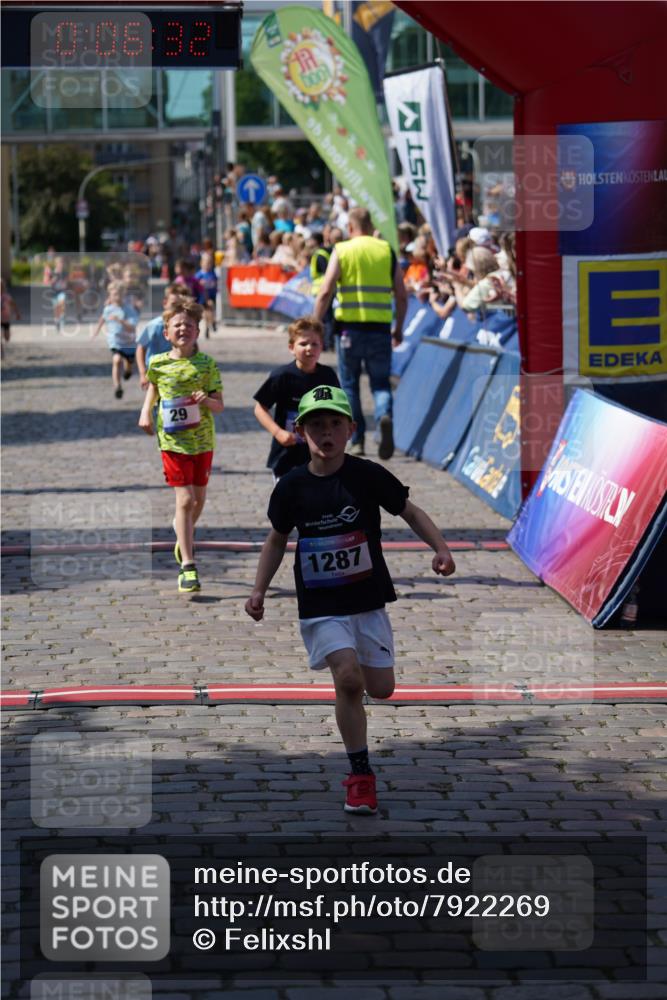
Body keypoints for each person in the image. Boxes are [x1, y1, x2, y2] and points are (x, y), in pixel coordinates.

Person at [245, 385, 455, 814]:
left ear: (350, 430)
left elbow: (410, 511)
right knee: (348, 678)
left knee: (381, 688)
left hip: (367, 601)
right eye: (316, 425)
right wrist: (259, 589)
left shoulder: (367, 475)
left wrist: (441, 548)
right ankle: (360, 775)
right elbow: (276, 539)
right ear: (300, 431)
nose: (327, 432)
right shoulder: (291, 486)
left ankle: (361, 728)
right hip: (321, 607)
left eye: (335, 424)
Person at [138, 300, 223, 594]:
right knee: (185, 500)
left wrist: (207, 402)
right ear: (166, 333)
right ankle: (188, 566)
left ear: (198, 331)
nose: (183, 329)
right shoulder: (158, 363)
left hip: (203, 442)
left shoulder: (207, 364)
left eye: (188, 325)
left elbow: (220, 404)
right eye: (177, 325)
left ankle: (181, 533)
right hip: (173, 440)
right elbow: (153, 388)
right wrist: (145, 411)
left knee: (198, 501)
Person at [313, 206, 407, 460]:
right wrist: (398, 328)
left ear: (351, 227)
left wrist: (315, 324)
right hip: (380, 330)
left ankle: (357, 440)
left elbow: (325, 290)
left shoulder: (342, 250)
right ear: (370, 224)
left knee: (350, 385)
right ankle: (383, 414)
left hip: (350, 331)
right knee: (380, 383)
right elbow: (401, 293)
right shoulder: (386, 250)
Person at [253, 317, 339, 480]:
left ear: (322, 346)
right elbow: (260, 408)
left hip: (320, 454)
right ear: (291, 347)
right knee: (288, 504)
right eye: (303, 344)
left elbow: (339, 411)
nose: (309, 349)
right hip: (286, 456)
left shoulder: (328, 376)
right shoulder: (282, 376)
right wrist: (278, 432)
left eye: (315, 344)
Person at [135, 284, 192, 389]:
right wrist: (143, 373)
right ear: (165, 303)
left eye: (181, 305)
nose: (177, 309)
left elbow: (192, 347)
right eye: (174, 304)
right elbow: (141, 348)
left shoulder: (186, 327)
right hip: (156, 371)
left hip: (178, 369)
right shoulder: (154, 326)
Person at [91, 282, 138, 398]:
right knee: (116, 360)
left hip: (128, 342)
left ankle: (128, 370)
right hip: (115, 341)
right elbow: (102, 318)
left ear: (123, 295)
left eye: (119, 294)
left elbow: (132, 328)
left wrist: (120, 320)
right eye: (114, 294)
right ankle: (117, 386)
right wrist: (96, 332)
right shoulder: (108, 309)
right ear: (110, 295)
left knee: (129, 362)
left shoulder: (129, 310)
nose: (117, 297)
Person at [1, 279, 21, 348]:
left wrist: (17, 313)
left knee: (7, 338)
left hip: (5, 319)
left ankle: (4, 335)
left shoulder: (7, 297)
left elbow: (14, 305)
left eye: (1, 286)